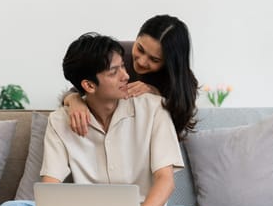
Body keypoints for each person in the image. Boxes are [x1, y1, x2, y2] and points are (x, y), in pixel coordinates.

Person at [0, 32, 207, 206]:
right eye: (114, 72)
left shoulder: (153, 108)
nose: (126, 75)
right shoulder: (61, 120)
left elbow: (165, 180)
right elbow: (51, 186)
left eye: (123, 66)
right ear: (88, 85)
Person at [63, 14, 199, 140]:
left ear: (169, 63)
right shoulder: (115, 56)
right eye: (140, 49)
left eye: (154, 60)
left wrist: (156, 94)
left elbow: (176, 126)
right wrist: (74, 100)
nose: (141, 62)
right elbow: (82, 84)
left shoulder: (181, 83)